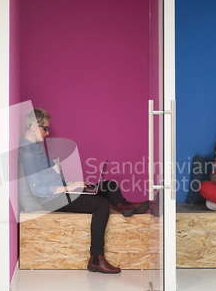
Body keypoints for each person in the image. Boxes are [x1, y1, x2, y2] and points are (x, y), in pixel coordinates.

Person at [19, 108, 149, 274]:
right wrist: (69, 188)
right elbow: (37, 189)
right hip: (52, 199)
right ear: (32, 126)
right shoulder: (28, 153)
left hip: (61, 192)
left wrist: (72, 183)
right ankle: (96, 258)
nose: (48, 132)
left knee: (109, 185)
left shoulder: (36, 149)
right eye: (45, 128)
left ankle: (124, 207)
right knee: (101, 204)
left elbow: (49, 176)